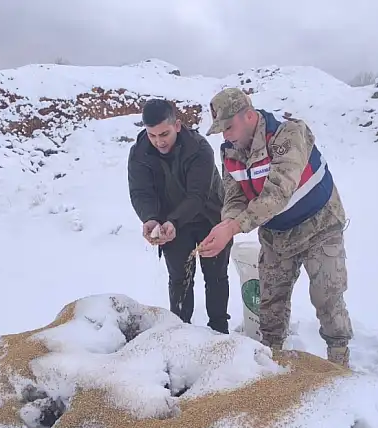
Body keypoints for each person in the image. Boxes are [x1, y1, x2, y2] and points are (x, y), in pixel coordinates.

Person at [198, 88, 353, 367]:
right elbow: (234, 195)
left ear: (248, 116)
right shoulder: (230, 150)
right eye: (221, 130)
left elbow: (278, 192)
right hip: (275, 233)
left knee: (327, 297)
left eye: (229, 127)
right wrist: (225, 224)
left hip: (319, 225)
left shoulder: (288, 134)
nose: (226, 136)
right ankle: (272, 362)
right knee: (269, 302)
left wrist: (234, 227)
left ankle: (339, 361)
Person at [127, 98, 232, 334]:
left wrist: (173, 221)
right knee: (179, 279)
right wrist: (150, 218)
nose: (158, 141)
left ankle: (219, 330)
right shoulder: (140, 153)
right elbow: (140, 192)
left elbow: (198, 195)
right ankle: (180, 331)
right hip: (169, 223)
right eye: (152, 135)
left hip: (209, 217)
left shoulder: (199, 148)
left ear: (177, 125)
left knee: (216, 276)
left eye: (164, 133)